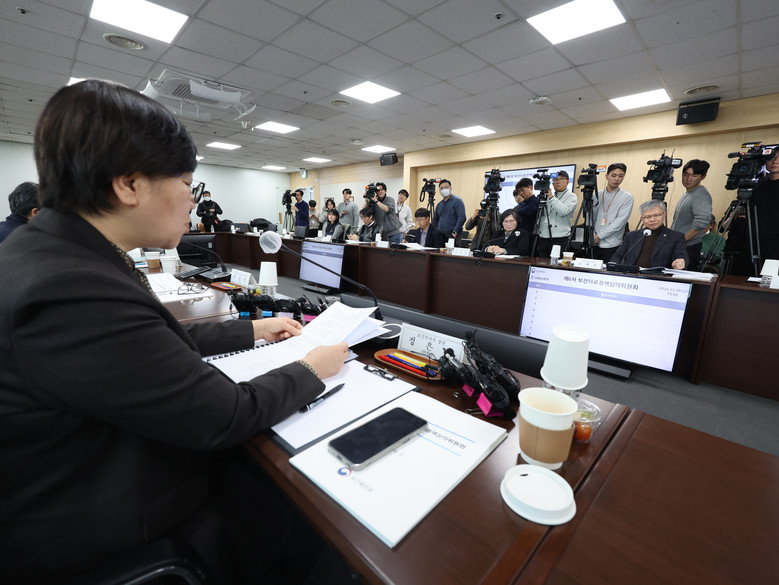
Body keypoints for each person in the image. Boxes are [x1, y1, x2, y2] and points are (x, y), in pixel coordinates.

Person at [0, 79, 350, 585]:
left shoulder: (53, 252)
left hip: (89, 472)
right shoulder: (69, 286)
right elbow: (225, 415)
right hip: (100, 524)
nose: (193, 200)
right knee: (309, 526)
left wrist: (253, 329)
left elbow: (144, 346)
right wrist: (309, 369)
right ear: (129, 184)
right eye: (187, 182)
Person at [611, 200, 688, 269]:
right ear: (642, 219)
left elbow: (681, 256)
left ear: (664, 214)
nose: (652, 220)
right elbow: (618, 255)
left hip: (658, 277)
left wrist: (679, 263)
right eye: (647, 217)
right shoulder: (631, 236)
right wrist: (612, 264)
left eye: (656, 215)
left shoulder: (676, 237)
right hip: (632, 275)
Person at [670, 159, 712, 270]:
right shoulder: (689, 193)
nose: (688, 179)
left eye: (694, 176)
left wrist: (682, 240)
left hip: (689, 247)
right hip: (681, 245)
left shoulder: (701, 195)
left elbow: (701, 223)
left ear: (703, 177)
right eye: (686, 175)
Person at [593, 163, 634, 261]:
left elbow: (620, 222)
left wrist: (599, 236)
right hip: (593, 243)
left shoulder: (627, 197)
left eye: (621, 176)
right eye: (614, 175)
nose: (617, 179)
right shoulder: (596, 195)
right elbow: (591, 217)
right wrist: (593, 235)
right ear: (607, 176)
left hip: (612, 244)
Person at [536, 170, 577, 257]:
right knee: (541, 263)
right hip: (543, 237)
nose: (557, 182)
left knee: (556, 263)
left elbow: (563, 211)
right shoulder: (546, 196)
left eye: (560, 179)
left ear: (568, 181)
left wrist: (551, 197)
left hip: (560, 238)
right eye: (555, 180)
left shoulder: (571, 196)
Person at [751, 148, 779, 264]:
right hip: (753, 242)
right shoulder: (759, 186)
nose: (775, 161)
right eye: (771, 157)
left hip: (775, 245)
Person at [432, 178, 466, 244]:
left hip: (453, 234)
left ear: (450, 188)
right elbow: (435, 220)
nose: (444, 189)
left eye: (446, 187)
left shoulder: (457, 201)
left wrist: (455, 231)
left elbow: (462, 218)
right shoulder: (439, 204)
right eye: (441, 188)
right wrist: (434, 232)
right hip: (440, 234)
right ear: (439, 190)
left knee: (451, 250)